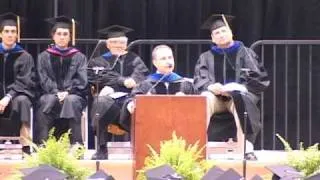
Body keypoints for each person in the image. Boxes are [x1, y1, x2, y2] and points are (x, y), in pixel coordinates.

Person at [193, 14, 270, 160]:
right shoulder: (205, 57)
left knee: (240, 97)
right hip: (216, 99)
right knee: (204, 98)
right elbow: (199, 80)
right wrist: (210, 86)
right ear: (212, 38)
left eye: (223, 31)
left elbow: (259, 78)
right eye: (216, 33)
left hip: (237, 97)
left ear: (231, 33)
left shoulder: (246, 53)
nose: (221, 35)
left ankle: (247, 147)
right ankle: (197, 145)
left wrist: (239, 87)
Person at [87, 25, 149, 160]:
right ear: (108, 44)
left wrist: (127, 83)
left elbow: (141, 77)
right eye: (114, 42)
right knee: (101, 101)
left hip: (129, 99)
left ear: (126, 43)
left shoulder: (135, 59)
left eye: (121, 42)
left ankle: (140, 149)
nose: (118, 45)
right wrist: (122, 81)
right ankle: (102, 149)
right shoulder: (97, 61)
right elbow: (99, 77)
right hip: (110, 102)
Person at [36, 16, 88, 146]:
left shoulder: (79, 57)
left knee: (71, 101)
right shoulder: (43, 56)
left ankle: (77, 146)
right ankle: (44, 145)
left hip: (74, 95)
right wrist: (56, 92)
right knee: (47, 100)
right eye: (59, 34)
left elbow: (82, 79)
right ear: (53, 36)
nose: (62, 37)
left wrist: (68, 92)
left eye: (65, 34)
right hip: (50, 94)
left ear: (70, 37)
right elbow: (43, 78)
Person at [120, 44, 195, 131]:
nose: (168, 61)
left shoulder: (184, 84)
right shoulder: (146, 84)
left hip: (181, 131)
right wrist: (135, 104)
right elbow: (132, 100)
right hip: (153, 130)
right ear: (155, 62)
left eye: (170, 58)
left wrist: (188, 101)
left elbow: (198, 106)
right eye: (163, 59)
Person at [0, 12, 36, 154]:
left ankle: (26, 146)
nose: (10, 34)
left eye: (13, 31)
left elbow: (24, 80)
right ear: (1, 34)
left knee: (24, 101)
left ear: (17, 35)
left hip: (15, 96)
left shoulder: (24, 56)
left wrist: (7, 97)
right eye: (7, 31)